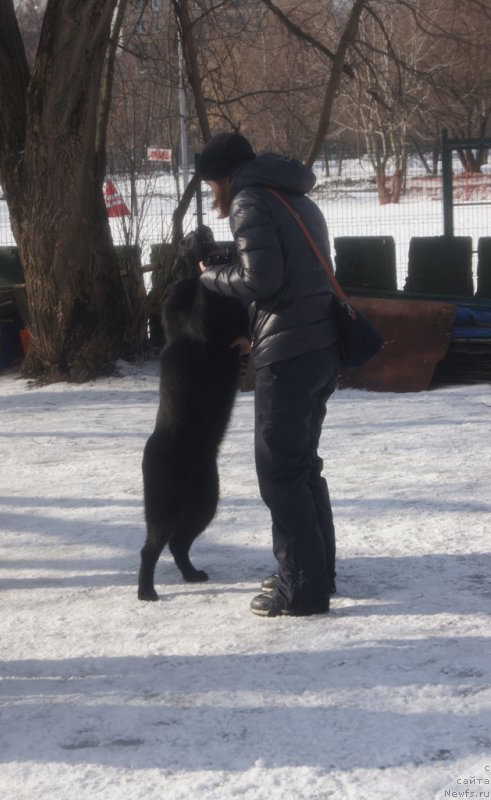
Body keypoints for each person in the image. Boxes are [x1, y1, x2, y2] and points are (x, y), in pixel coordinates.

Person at [198, 132, 341, 618]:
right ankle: (317, 571)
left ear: (222, 177)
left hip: (289, 352)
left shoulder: (248, 201)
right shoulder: (294, 196)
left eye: (210, 184)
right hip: (321, 346)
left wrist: (210, 275)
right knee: (301, 467)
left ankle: (300, 588)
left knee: (280, 475)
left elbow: (263, 280)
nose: (213, 195)